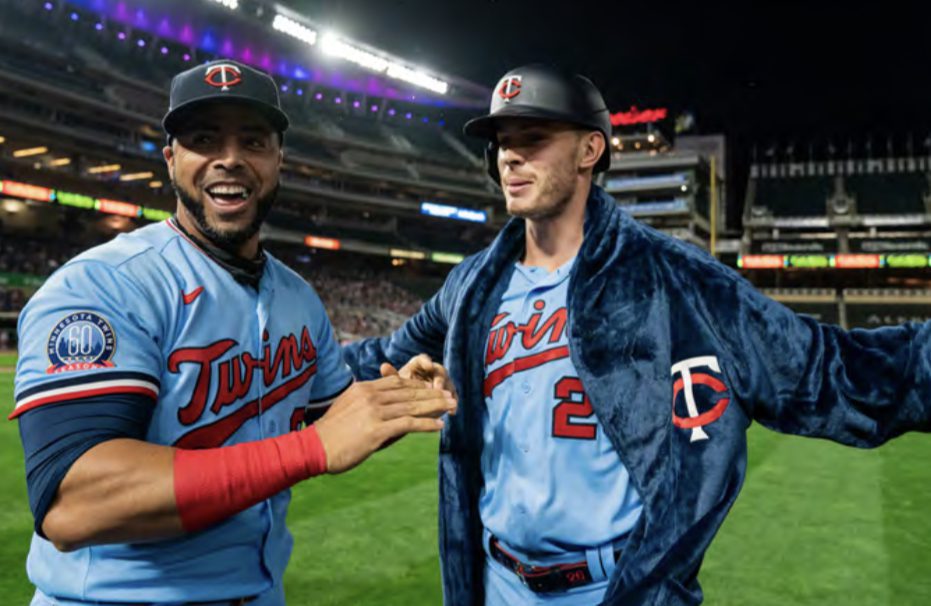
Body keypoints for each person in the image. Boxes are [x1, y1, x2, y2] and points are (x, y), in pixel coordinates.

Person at [342, 64, 931, 605]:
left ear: (589, 149)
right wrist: (279, 360)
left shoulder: (674, 278)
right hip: (493, 583)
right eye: (501, 142)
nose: (509, 158)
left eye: (533, 138)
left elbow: (835, 372)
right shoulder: (471, 286)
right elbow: (383, 358)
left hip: (613, 587)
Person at [11, 59, 456, 606]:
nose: (230, 159)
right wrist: (311, 448)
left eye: (253, 141)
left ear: (277, 161)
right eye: (204, 139)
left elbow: (329, 420)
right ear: (172, 159)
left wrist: (396, 397)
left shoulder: (297, 297)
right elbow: (74, 504)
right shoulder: (105, 285)